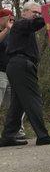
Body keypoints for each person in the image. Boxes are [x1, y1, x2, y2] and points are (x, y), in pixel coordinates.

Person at [0, 2, 50, 147]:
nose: (37, 15)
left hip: (17, 66)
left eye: (39, 13)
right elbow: (39, 22)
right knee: (34, 99)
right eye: (35, 12)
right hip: (21, 64)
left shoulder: (24, 28)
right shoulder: (22, 23)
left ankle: (8, 136)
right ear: (25, 12)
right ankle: (43, 135)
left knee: (17, 104)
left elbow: (40, 23)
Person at [0, 9, 25, 140]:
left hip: (14, 74)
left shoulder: (15, 32)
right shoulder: (4, 32)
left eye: (12, 17)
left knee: (16, 104)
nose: (11, 19)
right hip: (1, 74)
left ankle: (17, 131)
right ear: (2, 19)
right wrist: (7, 29)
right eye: (8, 17)